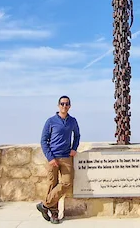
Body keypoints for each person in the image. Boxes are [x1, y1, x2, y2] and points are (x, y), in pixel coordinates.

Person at [37, 95, 80, 224]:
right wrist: (50, 157)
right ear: (58, 105)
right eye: (62, 104)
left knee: (66, 183)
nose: (64, 106)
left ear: (70, 106)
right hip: (53, 157)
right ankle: (54, 214)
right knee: (52, 184)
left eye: (66, 104)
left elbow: (77, 135)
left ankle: (44, 205)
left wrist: (74, 148)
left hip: (66, 156)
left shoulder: (72, 121)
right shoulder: (50, 121)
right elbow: (43, 141)